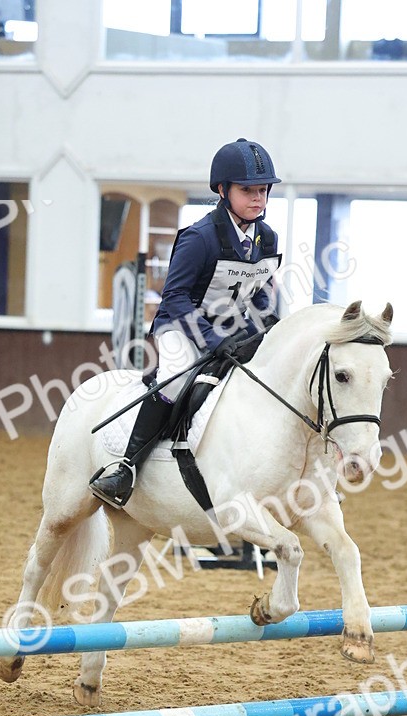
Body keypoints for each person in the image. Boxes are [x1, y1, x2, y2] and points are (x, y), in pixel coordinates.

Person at [90, 138, 282, 507]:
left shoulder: (266, 238)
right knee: (176, 377)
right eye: (247, 190)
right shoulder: (199, 238)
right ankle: (126, 468)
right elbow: (174, 298)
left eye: (262, 190)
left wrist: (267, 330)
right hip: (181, 326)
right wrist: (213, 340)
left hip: (231, 328)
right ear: (223, 190)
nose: (257, 198)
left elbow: (259, 293)